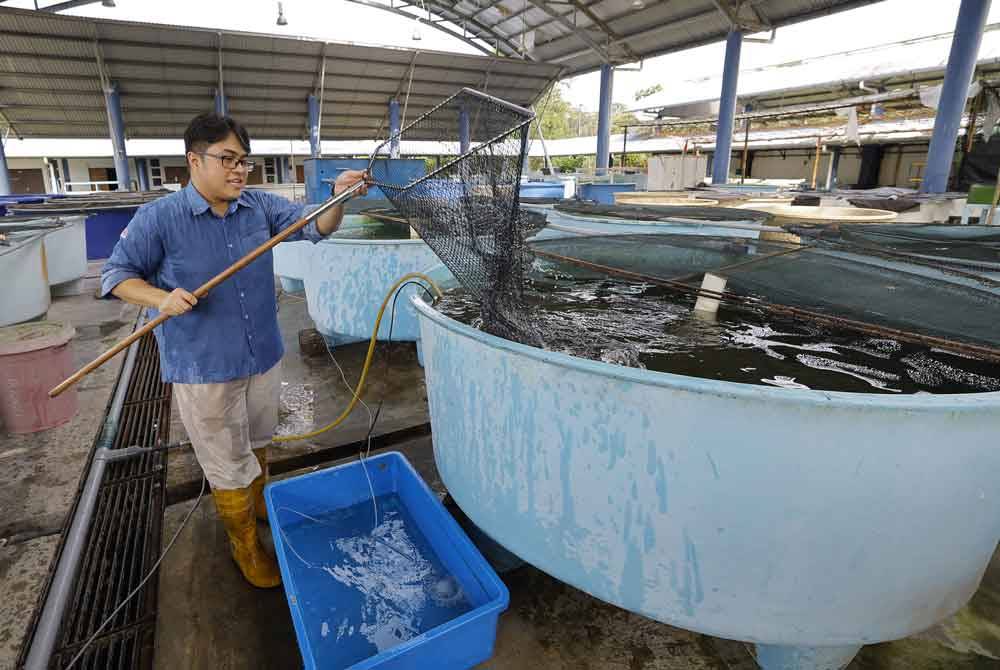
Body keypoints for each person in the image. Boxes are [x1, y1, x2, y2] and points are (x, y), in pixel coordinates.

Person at [101, 113, 368, 588]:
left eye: (244, 161)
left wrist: (339, 198)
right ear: (193, 160)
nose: (239, 170)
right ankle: (243, 543)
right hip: (205, 368)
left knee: (260, 438)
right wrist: (161, 298)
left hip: (262, 354)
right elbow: (117, 277)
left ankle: (259, 499)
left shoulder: (259, 206)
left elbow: (316, 227)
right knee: (225, 459)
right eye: (227, 160)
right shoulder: (159, 219)